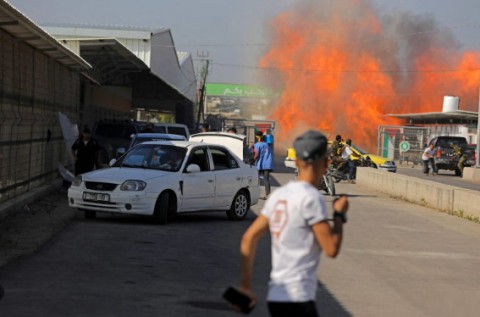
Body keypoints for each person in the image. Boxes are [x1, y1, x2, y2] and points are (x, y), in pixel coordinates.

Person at [236, 130, 349, 317]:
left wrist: (245, 287)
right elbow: (331, 248)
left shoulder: (279, 195)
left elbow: (248, 239)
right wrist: (339, 215)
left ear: (296, 163)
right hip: (299, 299)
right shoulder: (312, 198)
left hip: (276, 297)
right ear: (326, 164)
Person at [254, 133, 273, 199]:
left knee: (256, 179)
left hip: (260, 164)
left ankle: (255, 194)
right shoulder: (268, 145)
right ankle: (268, 195)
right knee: (266, 179)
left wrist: (252, 160)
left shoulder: (257, 145)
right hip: (268, 165)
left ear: (257, 138)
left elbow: (256, 155)